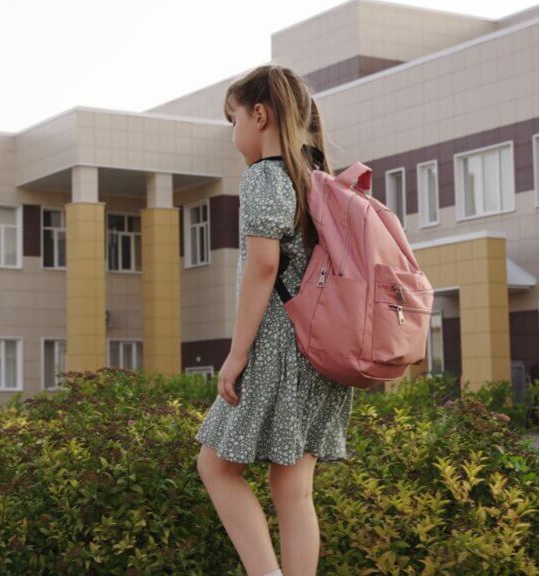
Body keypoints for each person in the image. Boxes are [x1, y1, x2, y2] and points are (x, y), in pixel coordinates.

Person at [193, 64, 354, 576]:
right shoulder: (317, 176)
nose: (233, 131)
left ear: (259, 115)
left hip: (279, 347)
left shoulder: (265, 176)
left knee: (215, 465)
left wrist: (236, 355)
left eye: (233, 118)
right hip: (323, 350)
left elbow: (264, 265)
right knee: (292, 487)